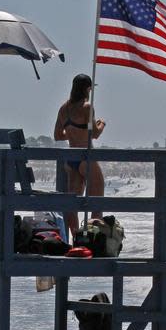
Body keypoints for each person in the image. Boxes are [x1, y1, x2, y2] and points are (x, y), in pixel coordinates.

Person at [53, 73, 106, 235]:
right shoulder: (87, 107)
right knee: (97, 201)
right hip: (86, 157)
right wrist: (102, 123)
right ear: (87, 89)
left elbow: (57, 135)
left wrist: (72, 132)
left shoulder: (64, 108)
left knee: (73, 204)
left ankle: (76, 238)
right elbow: (95, 134)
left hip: (71, 159)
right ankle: (92, 239)